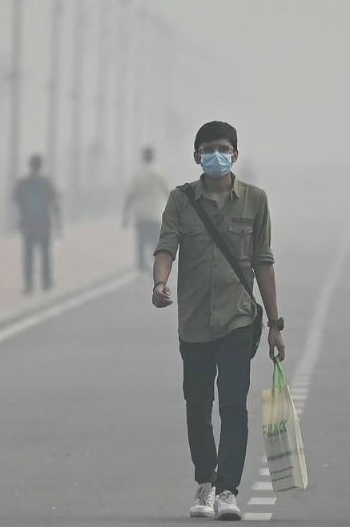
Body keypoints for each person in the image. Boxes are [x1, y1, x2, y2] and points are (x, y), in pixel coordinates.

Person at [151, 121, 286, 521]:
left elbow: (263, 261)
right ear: (196, 157)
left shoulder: (255, 200)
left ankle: (228, 489)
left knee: (233, 405)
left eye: (224, 148)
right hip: (193, 322)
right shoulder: (180, 200)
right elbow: (166, 245)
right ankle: (204, 483)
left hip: (238, 320)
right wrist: (160, 282)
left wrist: (275, 324)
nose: (216, 155)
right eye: (208, 149)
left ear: (236, 155)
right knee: (197, 404)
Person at [13, 154, 60, 294]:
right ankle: (46, 282)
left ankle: (28, 285)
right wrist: (58, 223)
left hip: (28, 224)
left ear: (30, 165)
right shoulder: (47, 182)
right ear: (40, 165)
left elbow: (16, 199)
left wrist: (22, 215)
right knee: (45, 253)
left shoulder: (22, 183)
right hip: (44, 223)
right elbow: (54, 202)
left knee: (28, 255)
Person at [123, 147, 170, 271]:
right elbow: (167, 191)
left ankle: (141, 265)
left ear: (143, 158)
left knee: (141, 240)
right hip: (154, 212)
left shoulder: (138, 174)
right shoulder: (159, 173)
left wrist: (125, 215)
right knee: (155, 239)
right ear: (153, 157)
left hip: (140, 213)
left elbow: (130, 195)